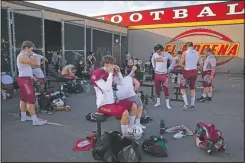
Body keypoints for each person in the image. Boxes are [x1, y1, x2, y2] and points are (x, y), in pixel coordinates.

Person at [90, 55, 138, 137]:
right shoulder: (97, 73)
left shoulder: (109, 73)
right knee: (125, 112)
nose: (114, 66)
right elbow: (106, 88)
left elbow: (121, 83)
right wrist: (111, 73)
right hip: (103, 104)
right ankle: (125, 136)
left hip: (113, 100)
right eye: (112, 64)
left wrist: (118, 72)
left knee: (133, 106)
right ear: (106, 64)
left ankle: (130, 128)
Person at [17, 41, 47, 125]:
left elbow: (36, 65)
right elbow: (35, 63)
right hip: (25, 80)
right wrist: (33, 55)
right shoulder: (22, 56)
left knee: (24, 99)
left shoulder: (25, 56)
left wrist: (37, 60)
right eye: (31, 49)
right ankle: (35, 120)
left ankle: (23, 116)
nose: (32, 50)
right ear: (26, 48)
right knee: (31, 99)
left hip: (26, 79)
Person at [151, 44, 175, 109]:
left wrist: (170, 68)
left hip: (164, 75)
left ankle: (167, 104)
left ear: (161, 49)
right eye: (156, 51)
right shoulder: (155, 54)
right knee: (157, 89)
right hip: (157, 74)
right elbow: (152, 59)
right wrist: (153, 66)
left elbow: (173, 60)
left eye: (158, 50)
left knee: (166, 89)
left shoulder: (166, 54)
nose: (157, 52)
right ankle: (158, 102)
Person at [179, 42, 202, 110]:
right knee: (192, 88)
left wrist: (185, 67)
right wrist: (197, 69)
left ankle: (186, 103)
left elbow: (180, 64)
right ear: (192, 46)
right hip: (194, 72)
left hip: (187, 72)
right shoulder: (197, 53)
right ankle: (192, 104)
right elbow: (201, 64)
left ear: (187, 46)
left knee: (182, 88)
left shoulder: (185, 52)